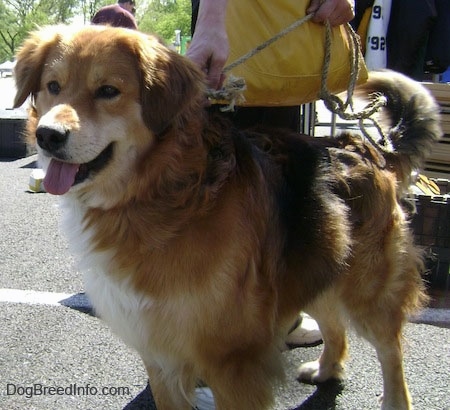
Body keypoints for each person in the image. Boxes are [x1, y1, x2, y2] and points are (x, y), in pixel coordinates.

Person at [187, 0, 355, 347]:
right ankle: (209, 349)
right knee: (224, 200)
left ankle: (278, 315)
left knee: (279, 182)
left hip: (283, 33)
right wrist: (211, 21)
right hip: (237, 28)